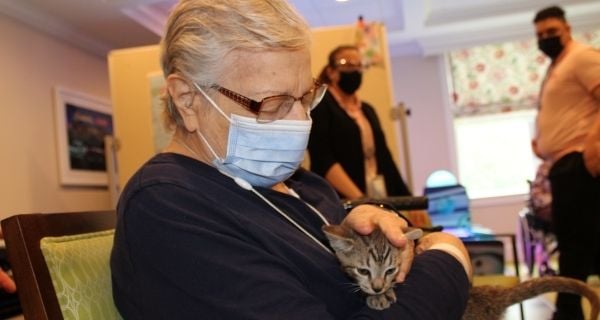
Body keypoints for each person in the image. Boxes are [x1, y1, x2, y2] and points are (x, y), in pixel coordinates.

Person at [110, 0, 472, 319]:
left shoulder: (301, 183)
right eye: (273, 103)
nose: (301, 121)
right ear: (188, 99)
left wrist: (364, 220)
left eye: (305, 97)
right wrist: (448, 256)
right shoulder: (168, 206)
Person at [532, 6, 600, 320]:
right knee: (582, 241)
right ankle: (570, 310)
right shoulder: (557, 66)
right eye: (540, 35)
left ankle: (567, 312)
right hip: (563, 164)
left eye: (551, 33)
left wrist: (592, 147)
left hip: (579, 163)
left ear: (567, 30)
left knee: (575, 244)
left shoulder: (581, 56)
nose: (545, 39)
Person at [308, 45, 411, 200]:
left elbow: (384, 158)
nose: (355, 70)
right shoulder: (321, 106)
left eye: (359, 65)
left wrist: (408, 199)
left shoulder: (367, 110)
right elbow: (323, 160)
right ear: (331, 72)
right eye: (348, 64)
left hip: (375, 196)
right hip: (339, 200)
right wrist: (360, 199)